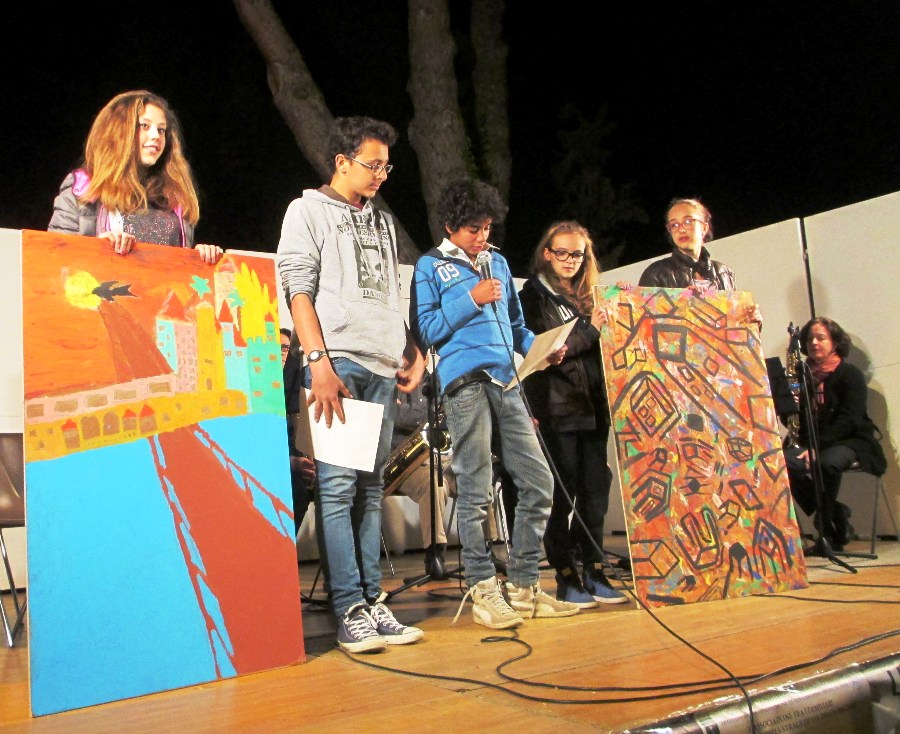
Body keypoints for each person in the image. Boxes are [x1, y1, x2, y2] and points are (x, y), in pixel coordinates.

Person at [276, 115, 426, 654]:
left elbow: (386, 292)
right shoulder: (307, 211)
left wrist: (410, 350)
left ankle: (371, 599)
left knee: (370, 488)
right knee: (337, 488)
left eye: (387, 166)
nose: (381, 174)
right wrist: (318, 363)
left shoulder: (382, 220)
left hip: (381, 365)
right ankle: (348, 610)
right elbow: (297, 289)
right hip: (336, 364)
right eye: (372, 164)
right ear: (341, 162)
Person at [411, 178, 579, 630]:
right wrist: (471, 298)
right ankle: (483, 588)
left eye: (487, 227)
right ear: (450, 225)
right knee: (475, 488)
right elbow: (426, 331)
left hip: (508, 380)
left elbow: (515, 326)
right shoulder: (430, 266)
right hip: (464, 382)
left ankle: (523, 587)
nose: (482, 237)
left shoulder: (497, 263)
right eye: (474, 229)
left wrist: (540, 347)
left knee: (539, 482)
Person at [518, 221, 627, 606]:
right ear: (547, 253)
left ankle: (594, 571)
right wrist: (591, 331)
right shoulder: (531, 297)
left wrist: (620, 313)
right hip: (556, 407)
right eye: (561, 252)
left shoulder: (590, 297)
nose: (569, 260)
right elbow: (548, 352)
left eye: (577, 254)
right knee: (560, 497)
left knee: (595, 494)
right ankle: (566, 576)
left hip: (594, 407)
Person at [48, 89, 223, 264]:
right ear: (118, 131)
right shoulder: (83, 189)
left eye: (161, 130)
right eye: (144, 126)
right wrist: (98, 248)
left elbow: (178, 267)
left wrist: (198, 259)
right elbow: (56, 258)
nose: (156, 136)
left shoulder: (175, 197)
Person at [783, 317, 887, 551]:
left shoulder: (850, 375)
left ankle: (825, 530)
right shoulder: (802, 378)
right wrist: (788, 405)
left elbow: (849, 420)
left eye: (820, 338)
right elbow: (795, 422)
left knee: (827, 464)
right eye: (810, 339)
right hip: (813, 442)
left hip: (850, 440)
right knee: (780, 464)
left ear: (835, 342)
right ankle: (836, 513)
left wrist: (815, 448)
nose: (814, 343)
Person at [637, 197, 761, 328]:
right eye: (674, 225)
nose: (681, 229)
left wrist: (750, 322)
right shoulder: (656, 273)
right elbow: (643, 327)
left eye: (688, 221)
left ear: (704, 227)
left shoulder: (724, 272)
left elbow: (733, 327)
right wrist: (682, 303)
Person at [281, 328, 317, 536]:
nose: (282, 353)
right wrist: (291, 462)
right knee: (297, 490)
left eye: (286, 347)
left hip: (304, 461)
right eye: (277, 348)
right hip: (281, 467)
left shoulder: (302, 385)